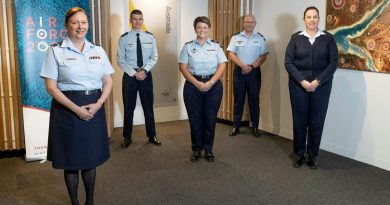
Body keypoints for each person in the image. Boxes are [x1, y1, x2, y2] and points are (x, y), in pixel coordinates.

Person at [40, 7, 114, 205]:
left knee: (90, 159)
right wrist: (76, 109)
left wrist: (99, 104)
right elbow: (51, 87)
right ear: (66, 26)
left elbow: (108, 82)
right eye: (75, 22)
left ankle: (89, 202)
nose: (80, 27)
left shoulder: (98, 50)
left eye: (84, 22)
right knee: (71, 161)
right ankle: (75, 202)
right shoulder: (56, 50)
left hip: (94, 106)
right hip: (67, 109)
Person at [285, 6, 338, 169]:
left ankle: (313, 155)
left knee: (316, 122)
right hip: (298, 86)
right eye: (309, 17)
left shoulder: (328, 39)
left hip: (321, 87)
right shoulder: (295, 38)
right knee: (299, 121)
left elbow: (333, 62)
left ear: (318, 19)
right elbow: (288, 62)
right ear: (304, 19)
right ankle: (299, 154)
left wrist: (317, 82)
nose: (312, 20)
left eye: (315, 17)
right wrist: (302, 81)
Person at [178, 16, 227, 162]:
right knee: (195, 119)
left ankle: (208, 149)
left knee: (210, 119)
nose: (202, 30)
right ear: (195, 29)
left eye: (205, 27)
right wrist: (196, 83)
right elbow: (183, 67)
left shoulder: (216, 46)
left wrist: (211, 82)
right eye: (199, 27)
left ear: (209, 29)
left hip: (213, 86)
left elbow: (222, 65)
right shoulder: (187, 46)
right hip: (193, 86)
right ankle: (197, 149)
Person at [117, 9, 161, 147]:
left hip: (146, 75)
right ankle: (127, 137)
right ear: (131, 20)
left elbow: (154, 57)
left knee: (148, 106)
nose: (137, 22)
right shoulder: (124, 38)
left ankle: (152, 135)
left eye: (140, 19)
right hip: (130, 76)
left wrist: (144, 71)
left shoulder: (150, 37)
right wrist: (135, 73)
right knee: (128, 107)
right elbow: (120, 60)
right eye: (134, 19)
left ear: (143, 20)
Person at [226, 14, 269, 137]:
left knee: (254, 101)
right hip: (239, 72)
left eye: (251, 22)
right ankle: (236, 127)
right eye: (246, 22)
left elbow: (263, 56)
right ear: (243, 23)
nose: (249, 24)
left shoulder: (260, 38)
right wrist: (243, 66)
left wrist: (251, 67)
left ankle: (255, 127)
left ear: (255, 23)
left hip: (254, 72)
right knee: (238, 101)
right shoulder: (236, 37)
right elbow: (231, 54)